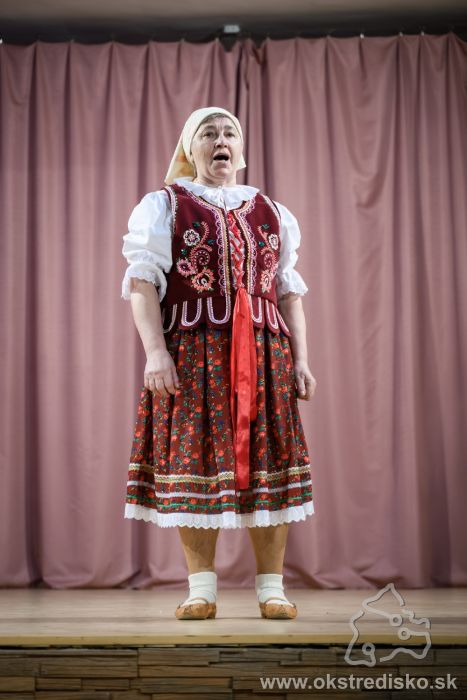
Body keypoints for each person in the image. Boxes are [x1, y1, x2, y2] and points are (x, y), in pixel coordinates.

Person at [121, 106, 317, 621]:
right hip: (193, 354)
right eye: (208, 133)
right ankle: (201, 590)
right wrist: (155, 352)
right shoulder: (164, 206)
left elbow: (289, 293)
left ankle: (271, 589)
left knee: (270, 462)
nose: (221, 140)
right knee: (193, 462)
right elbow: (142, 283)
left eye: (229, 132)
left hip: (265, 355)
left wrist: (302, 360)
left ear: (240, 147)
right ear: (191, 149)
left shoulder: (272, 210)